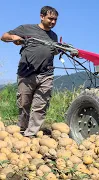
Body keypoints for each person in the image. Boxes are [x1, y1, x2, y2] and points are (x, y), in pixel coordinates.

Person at [1, 6, 59, 137]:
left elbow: (51, 52)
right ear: (42, 16)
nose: (53, 22)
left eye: (55, 20)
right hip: (26, 73)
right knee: (24, 103)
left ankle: (31, 134)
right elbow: (4, 36)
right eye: (50, 18)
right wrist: (14, 37)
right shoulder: (26, 28)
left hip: (46, 74)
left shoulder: (53, 36)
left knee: (40, 105)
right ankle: (21, 130)